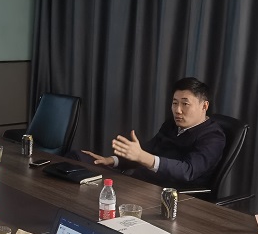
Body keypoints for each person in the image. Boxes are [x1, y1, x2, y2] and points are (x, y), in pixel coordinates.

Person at [82, 77, 226, 190]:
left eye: (185, 104)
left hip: (169, 195)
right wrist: (113, 161)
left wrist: (143, 157)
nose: (178, 110)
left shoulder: (213, 137)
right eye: (175, 103)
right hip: (140, 183)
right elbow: (147, 151)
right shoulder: (171, 124)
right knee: (81, 159)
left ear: (204, 106)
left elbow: (187, 171)